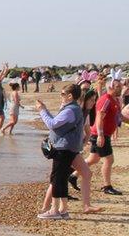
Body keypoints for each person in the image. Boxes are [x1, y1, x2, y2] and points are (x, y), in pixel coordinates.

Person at [34, 85, 93, 218]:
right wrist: (45, 110)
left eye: (62, 94)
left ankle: (55, 210)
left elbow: (52, 124)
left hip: (64, 149)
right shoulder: (73, 109)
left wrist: (42, 111)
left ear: (70, 96)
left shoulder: (71, 110)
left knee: (57, 179)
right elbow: (56, 122)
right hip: (68, 148)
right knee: (60, 178)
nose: (61, 96)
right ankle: (63, 210)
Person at [85, 75, 123, 195]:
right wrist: (100, 135)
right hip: (100, 134)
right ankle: (107, 186)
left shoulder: (114, 100)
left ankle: (72, 175)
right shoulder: (106, 99)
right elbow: (100, 117)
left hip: (103, 134)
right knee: (109, 160)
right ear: (110, 87)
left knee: (93, 159)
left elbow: (119, 117)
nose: (120, 88)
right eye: (117, 87)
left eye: (121, 86)